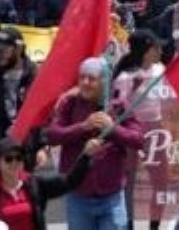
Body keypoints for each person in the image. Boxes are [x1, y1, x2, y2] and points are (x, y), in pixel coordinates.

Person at [44, 58, 145, 230]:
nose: (85, 83)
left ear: (104, 81)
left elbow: (138, 140)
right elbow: (52, 135)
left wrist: (112, 128)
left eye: (91, 78)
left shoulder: (119, 105)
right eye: (82, 77)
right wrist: (84, 126)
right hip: (78, 196)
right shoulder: (70, 104)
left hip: (111, 197)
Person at [0, 136, 92, 230]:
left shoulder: (33, 184)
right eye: (8, 159)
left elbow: (70, 182)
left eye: (19, 158)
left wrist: (86, 156)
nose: (14, 162)